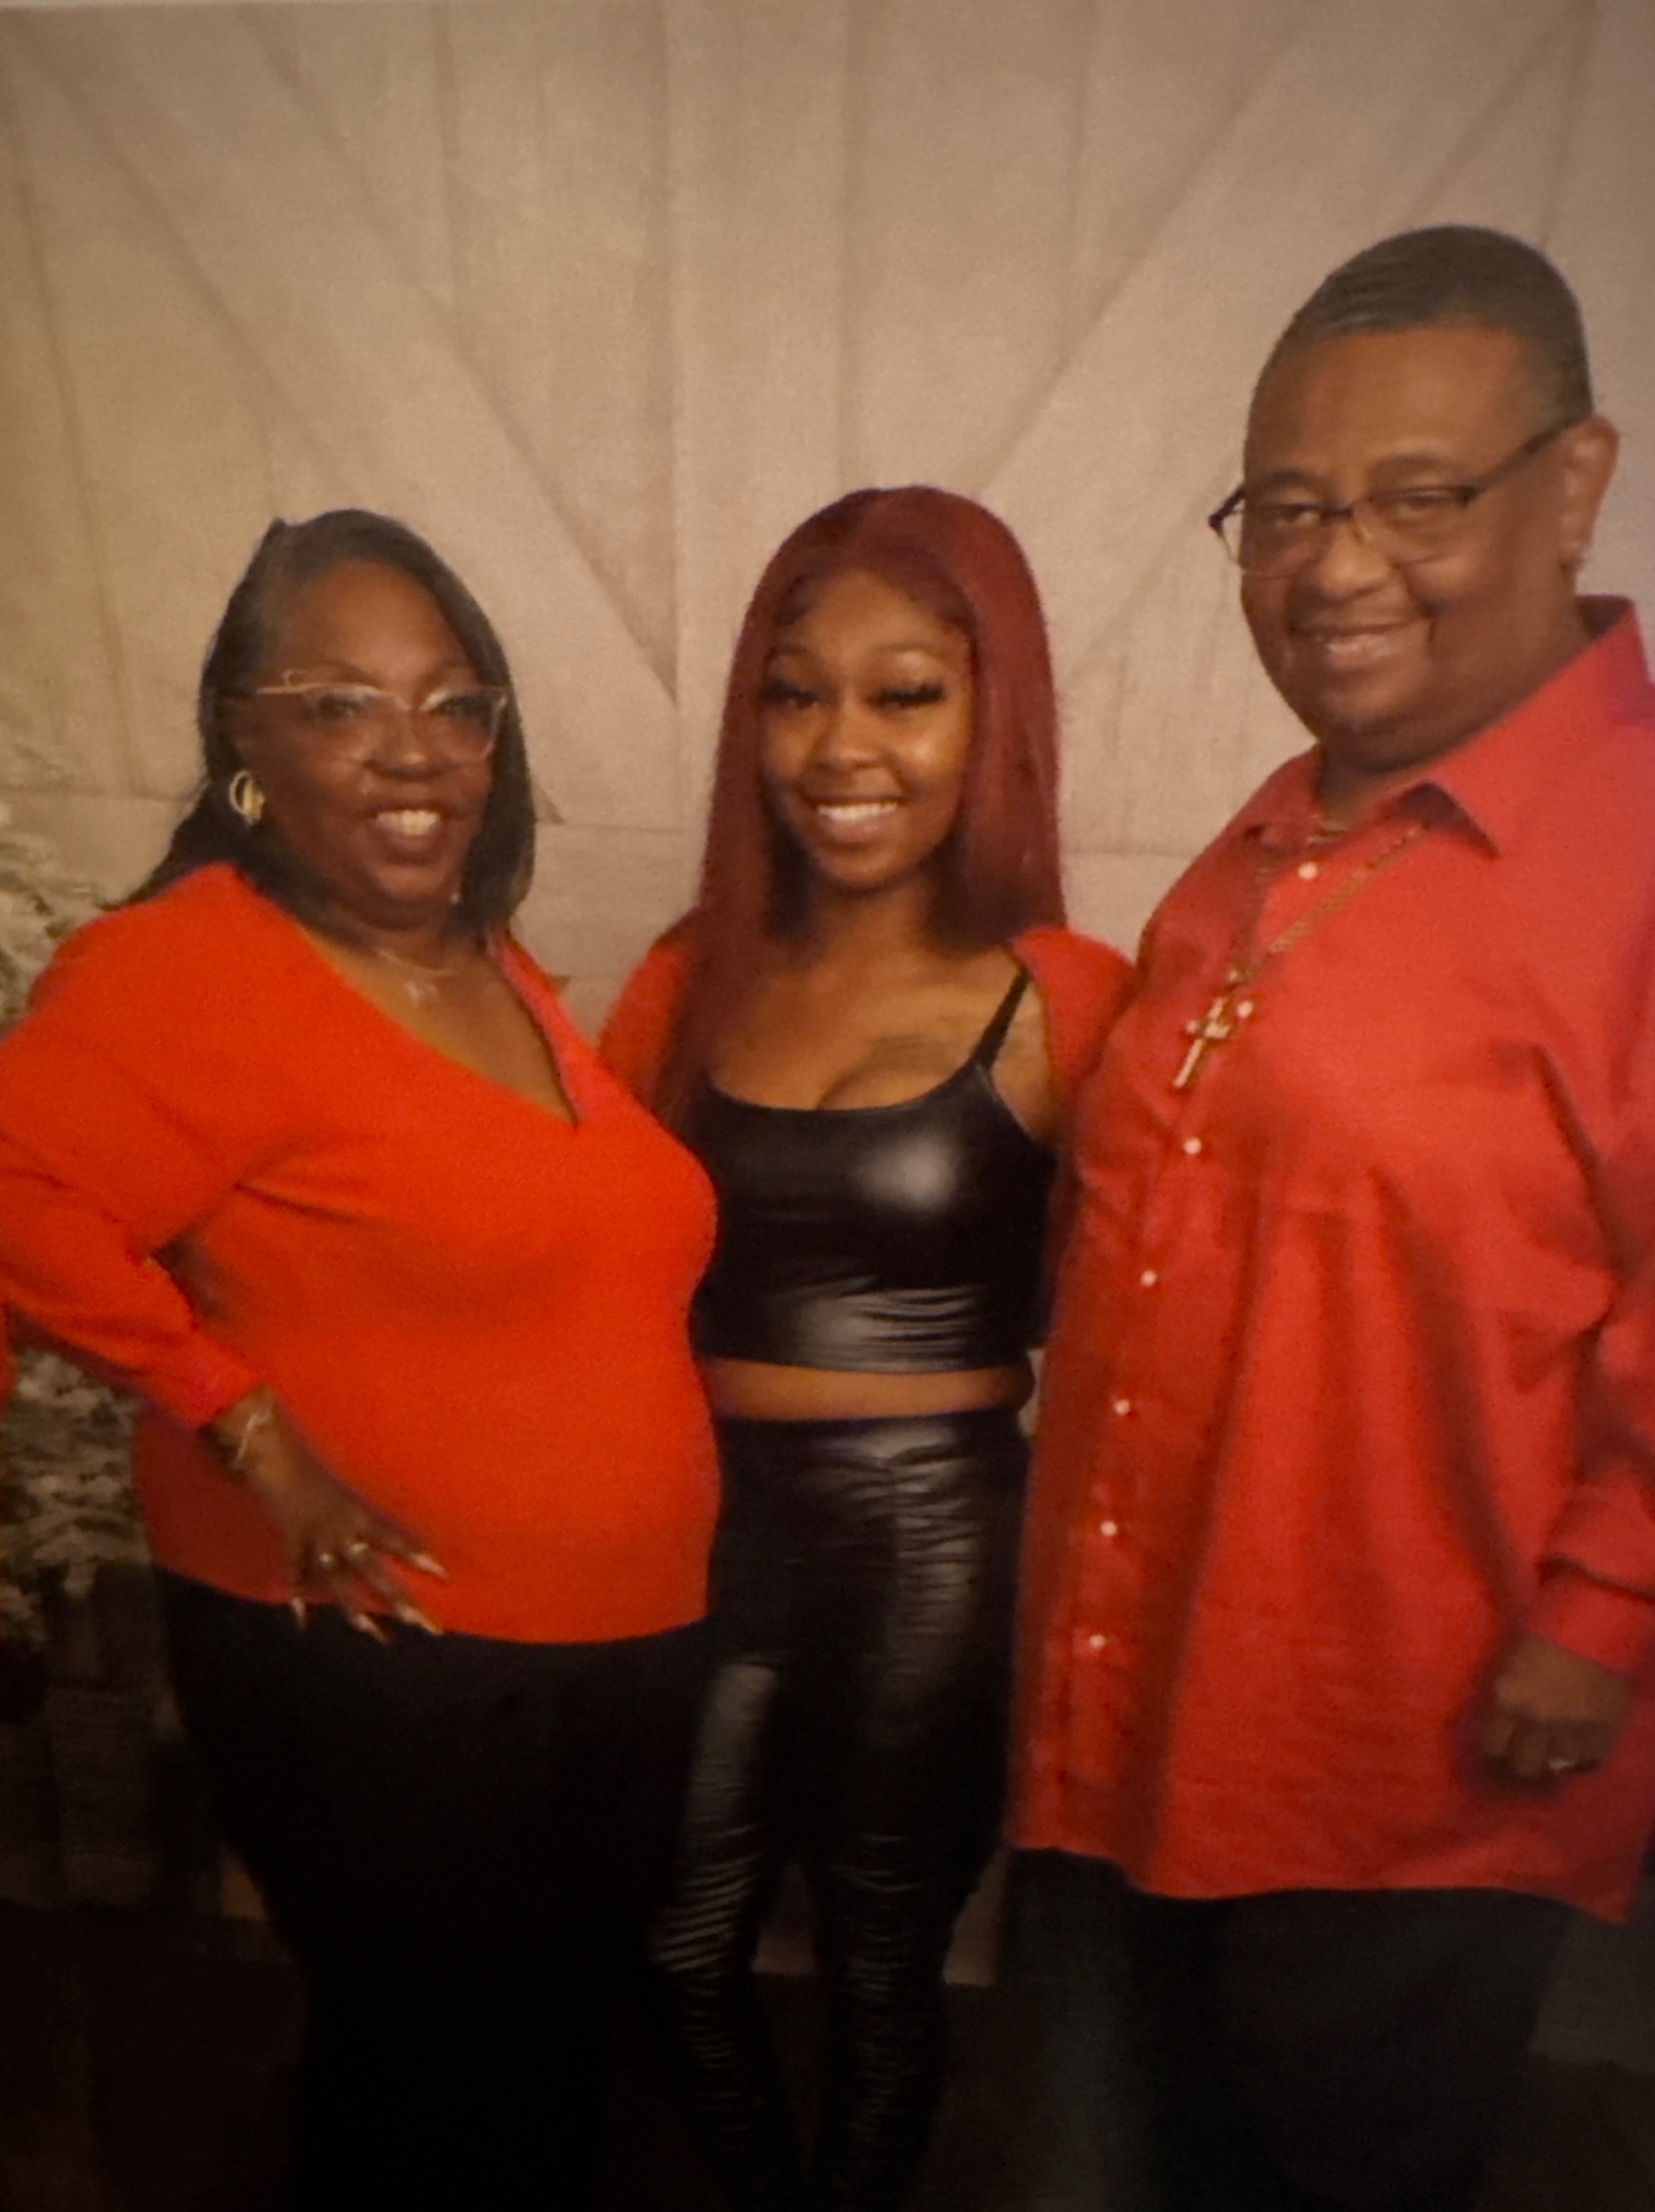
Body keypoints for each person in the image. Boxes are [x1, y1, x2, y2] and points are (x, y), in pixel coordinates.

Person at [1011, 224, 1655, 2212]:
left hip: (1412, 1748)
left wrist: (1609, 1610)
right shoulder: (1277, 834)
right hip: (1136, 1693)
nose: (1336, 565)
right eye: (1286, 510)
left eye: (1417, 499)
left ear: (1575, 486)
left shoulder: (1637, 859)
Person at [0, 510, 720, 2208]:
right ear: (241, 742)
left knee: (542, 2073)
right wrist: (243, 1423)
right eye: (340, 705)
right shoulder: (192, 965)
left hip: (617, 1651)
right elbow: (16, 1187)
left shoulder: (484, 965)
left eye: (455, 704)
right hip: (392, 1662)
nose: (415, 752)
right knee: (430, 2092)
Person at [600, 486, 1128, 2211]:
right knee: (676, 1945)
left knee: (887, 1960)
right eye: (794, 692)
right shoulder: (690, 973)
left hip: (933, 1538)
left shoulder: (1068, 996)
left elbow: (1149, 1312)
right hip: (699, 1524)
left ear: (995, 715)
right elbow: (584, 1262)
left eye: (905, 693)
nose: (841, 746)